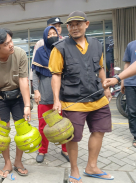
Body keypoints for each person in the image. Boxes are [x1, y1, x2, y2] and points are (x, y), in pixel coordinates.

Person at [49, 11, 114, 183]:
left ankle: (92, 166)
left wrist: (106, 87)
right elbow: (56, 75)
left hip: (98, 98)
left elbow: (100, 68)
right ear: (67, 28)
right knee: (73, 137)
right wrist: (56, 100)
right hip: (73, 101)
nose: (74, 27)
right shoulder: (60, 48)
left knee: (99, 131)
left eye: (78, 23)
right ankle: (74, 169)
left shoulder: (97, 44)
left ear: (87, 24)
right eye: (71, 25)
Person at [0, 28, 31, 178]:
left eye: (11, 41)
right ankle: (7, 162)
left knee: (22, 130)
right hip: (1, 98)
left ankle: (18, 161)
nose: (11, 45)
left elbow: (23, 80)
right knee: (3, 132)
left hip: (18, 96)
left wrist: (27, 105)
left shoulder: (20, 54)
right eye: (6, 44)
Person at [32, 26, 69, 163]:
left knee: (63, 124)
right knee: (43, 125)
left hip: (62, 95)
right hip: (45, 94)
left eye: (55, 33)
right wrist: (36, 90)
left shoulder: (64, 50)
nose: (52, 35)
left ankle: (65, 149)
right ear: (44, 36)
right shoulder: (40, 52)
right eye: (49, 34)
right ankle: (42, 150)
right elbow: (35, 74)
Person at [104, 39, 136, 148]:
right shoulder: (131, 45)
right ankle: (135, 136)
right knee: (132, 111)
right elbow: (128, 63)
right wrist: (123, 81)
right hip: (131, 83)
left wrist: (117, 78)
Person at [29, 17, 64, 89]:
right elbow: (35, 63)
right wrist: (33, 81)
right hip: (45, 78)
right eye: (55, 26)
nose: (57, 28)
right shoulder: (41, 43)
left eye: (59, 26)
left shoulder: (65, 41)